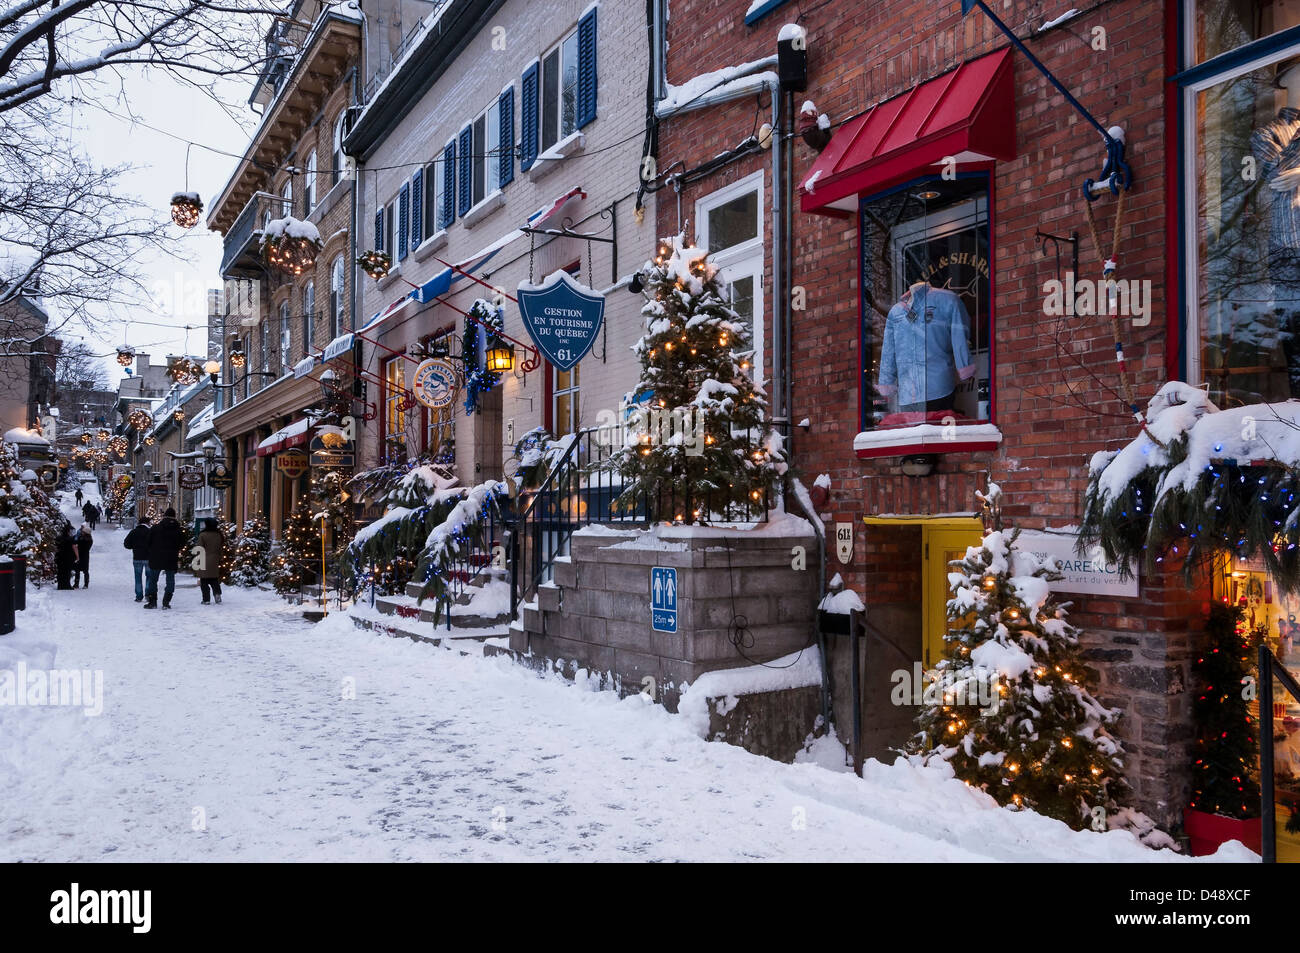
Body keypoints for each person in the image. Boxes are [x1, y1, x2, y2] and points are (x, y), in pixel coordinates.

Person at [144, 507, 182, 610]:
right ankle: (166, 602)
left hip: (156, 557)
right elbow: (181, 544)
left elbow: (148, 542)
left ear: (164, 516)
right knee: (170, 580)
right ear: (174, 517)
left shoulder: (156, 528)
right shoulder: (178, 529)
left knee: (153, 580)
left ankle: (152, 602)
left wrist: (152, 551)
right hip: (171, 558)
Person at [196, 518, 224, 605]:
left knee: (204, 581)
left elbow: (199, 548)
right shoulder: (219, 535)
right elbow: (220, 548)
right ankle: (217, 594)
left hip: (204, 559)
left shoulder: (203, 535)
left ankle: (206, 599)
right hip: (215, 559)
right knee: (214, 579)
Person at [123, 516, 151, 602]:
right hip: (148, 557)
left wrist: (134, 546)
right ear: (147, 523)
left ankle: (139, 596)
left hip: (137, 557)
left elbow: (126, 544)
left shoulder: (134, 532)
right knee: (149, 577)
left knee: (138, 577)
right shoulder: (150, 532)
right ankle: (148, 594)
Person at [54, 521, 76, 590]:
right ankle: (66, 585)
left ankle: (60, 585)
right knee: (67, 571)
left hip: (60, 556)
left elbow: (56, 546)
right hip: (68, 557)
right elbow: (74, 547)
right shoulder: (70, 539)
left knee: (60, 571)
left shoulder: (59, 538)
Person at [72, 523, 93, 589]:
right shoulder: (88, 539)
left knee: (81, 570)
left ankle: (78, 583)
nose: (82, 532)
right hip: (85, 555)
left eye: (83, 532)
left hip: (81, 555)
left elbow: (76, 543)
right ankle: (84, 584)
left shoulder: (84, 540)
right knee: (83, 570)